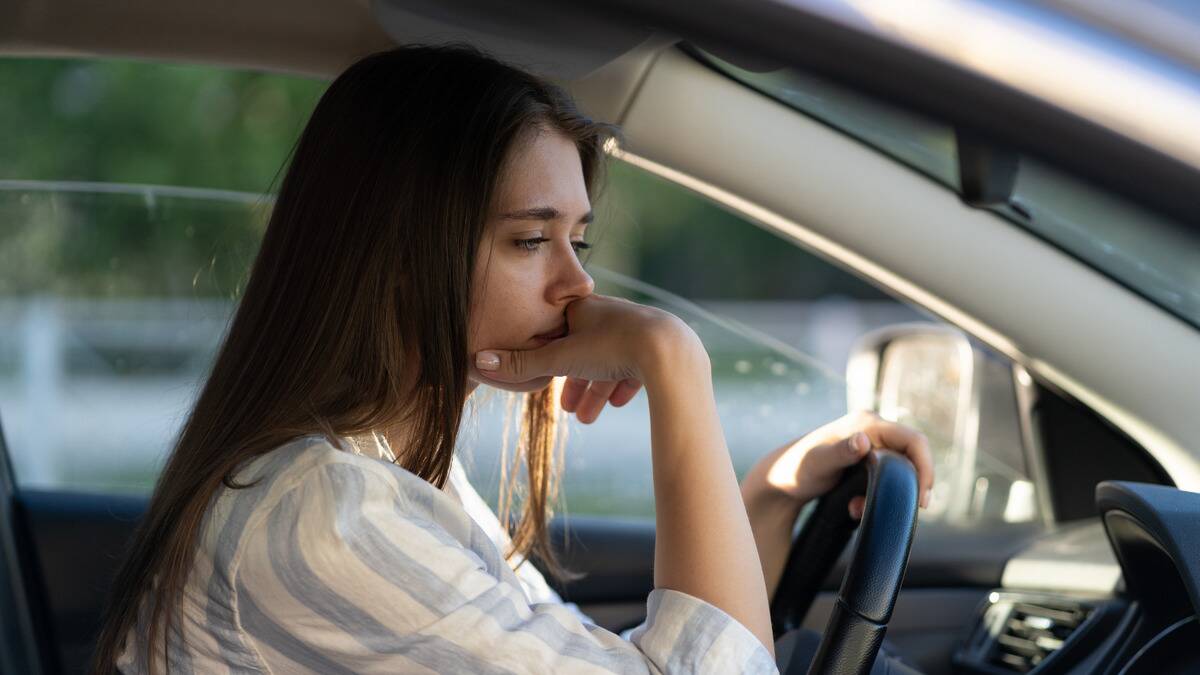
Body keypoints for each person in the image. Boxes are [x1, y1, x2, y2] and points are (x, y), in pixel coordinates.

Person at [91, 44, 933, 674]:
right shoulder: (323, 515)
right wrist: (673, 359)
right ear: (398, 254)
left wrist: (769, 494)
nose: (579, 284)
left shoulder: (386, 469)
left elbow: (611, 656)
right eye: (531, 239)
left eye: (577, 238)